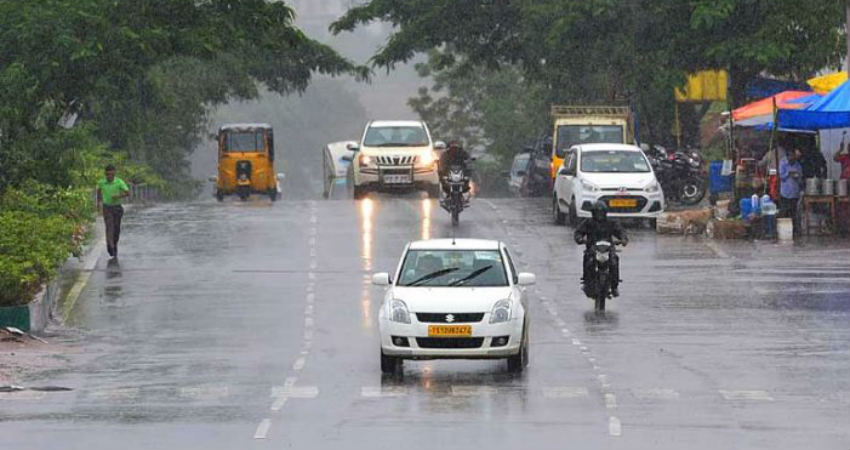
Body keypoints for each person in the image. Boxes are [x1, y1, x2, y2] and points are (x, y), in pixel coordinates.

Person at [573, 201, 628, 297]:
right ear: (593, 213)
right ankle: (587, 283)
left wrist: (623, 239)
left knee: (614, 261)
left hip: (608, 249)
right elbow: (578, 232)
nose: (599, 215)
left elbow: (620, 231)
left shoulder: (611, 223)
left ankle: (614, 286)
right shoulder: (588, 223)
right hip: (592, 248)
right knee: (588, 260)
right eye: (597, 213)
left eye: (601, 213)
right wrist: (580, 239)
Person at [96, 164, 130, 258]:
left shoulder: (119, 182)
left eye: (111, 174)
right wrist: (98, 203)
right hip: (107, 208)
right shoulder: (101, 182)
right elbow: (98, 191)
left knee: (116, 229)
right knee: (109, 227)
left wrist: (118, 196)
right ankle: (109, 246)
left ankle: (114, 245)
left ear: (114, 173)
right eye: (107, 174)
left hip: (117, 208)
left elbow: (127, 193)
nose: (109, 176)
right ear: (105, 174)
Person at [779, 149, 803, 235]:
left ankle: (794, 231)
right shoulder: (783, 163)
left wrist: (797, 177)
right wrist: (789, 174)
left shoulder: (798, 165)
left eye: (794, 158)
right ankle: (783, 231)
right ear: (788, 156)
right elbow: (781, 176)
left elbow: (800, 178)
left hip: (794, 192)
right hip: (785, 192)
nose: (793, 159)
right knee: (784, 212)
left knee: (793, 212)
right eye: (791, 157)